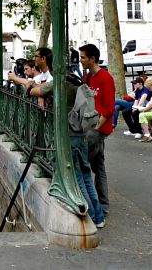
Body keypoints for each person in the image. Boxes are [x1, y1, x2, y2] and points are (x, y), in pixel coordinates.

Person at [30, 74, 104, 228]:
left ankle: (90, 216)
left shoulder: (61, 84)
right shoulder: (78, 85)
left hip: (70, 136)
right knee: (87, 177)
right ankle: (99, 216)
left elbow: (35, 91)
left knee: (77, 179)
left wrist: (38, 91)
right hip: (82, 135)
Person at [79, 43, 115, 218]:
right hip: (91, 128)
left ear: (92, 58)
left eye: (83, 57)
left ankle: (95, 207)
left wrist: (95, 129)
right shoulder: (87, 78)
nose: (81, 60)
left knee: (84, 166)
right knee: (98, 167)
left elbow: (109, 108)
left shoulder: (105, 78)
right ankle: (103, 205)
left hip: (96, 130)